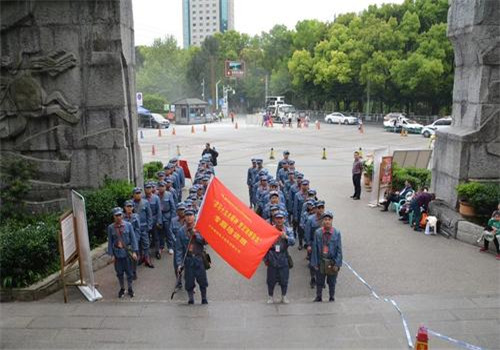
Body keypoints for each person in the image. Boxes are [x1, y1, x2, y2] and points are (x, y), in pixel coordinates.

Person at [176, 210, 209, 304]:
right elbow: (178, 249)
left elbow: (205, 241)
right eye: (187, 215)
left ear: (194, 216)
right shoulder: (181, 231)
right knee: (189, 280)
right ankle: (191, 298)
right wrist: (179, 264)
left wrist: (196, 235)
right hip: (188, 259)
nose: (189, 217)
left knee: (202, 280)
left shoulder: (199, 228)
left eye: (191, 215)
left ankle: (204, 298)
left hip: (199, 258)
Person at [310, 211, 342, 302]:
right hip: (321, 260)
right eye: (325, 219)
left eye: (329, 219)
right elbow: (315, 248)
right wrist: (315, 263)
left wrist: (337, 263)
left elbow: (339, 249)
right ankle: (318, 296)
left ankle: (332, 296)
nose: (327, 221)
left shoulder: (336, 233)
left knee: (332, 281)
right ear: (322, 221)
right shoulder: (318, 233)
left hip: (332, 261)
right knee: (319, 280)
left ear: (332, 221)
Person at [264, 211, 295, 304]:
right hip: (272, 256)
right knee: (271, 279)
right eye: (277, 218)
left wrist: (286, 237)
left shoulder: (288, 230)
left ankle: (284, 296)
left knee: (284, 278)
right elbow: (264, 245)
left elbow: (293, 242)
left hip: (283, 256)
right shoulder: (270, 230)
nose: (279, 220)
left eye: (281, 218)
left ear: (284, 219)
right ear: (274, 220)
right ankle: (270, 296)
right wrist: (265, 259)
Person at [107, 207, 138, 298]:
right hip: (117, 254)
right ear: (113, 217)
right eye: (116, 215)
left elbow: (133, 239)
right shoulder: (111, 228)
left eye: (120, 215)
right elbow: (110, 242)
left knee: (129, 272)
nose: (119, 217)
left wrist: (134, 252)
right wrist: (112, 254)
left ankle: (130, 288)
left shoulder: (128, 225)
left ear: (122, 215)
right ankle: (122, 288)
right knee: (119, 273)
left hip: (127, 252)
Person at [132, 187, 154, 268]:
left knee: (146, 243)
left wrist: (149, 225)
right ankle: (140, 257)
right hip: (135, 228)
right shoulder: (131, 204)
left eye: (139, 193)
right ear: (133, 195)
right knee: (137, 243)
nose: (138, 195)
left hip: (144, 226)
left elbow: (149, 215)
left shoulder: (145, 202)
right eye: (136, 193)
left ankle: (147, 258)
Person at [157, 181, 176, 256]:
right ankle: (161, 246)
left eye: (163, 186)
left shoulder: (169, 194)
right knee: (160, 232)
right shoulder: (156, 195)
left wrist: (172, 217)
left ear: (165, 187)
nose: (161, 188)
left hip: (167, 215)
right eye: (160, 186)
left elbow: (172, 206)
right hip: (159, 216)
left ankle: (170, 247)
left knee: (168, 232)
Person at [144, 182, 162, 259]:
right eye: (147, 188)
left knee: (156, 237)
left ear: (152, 189)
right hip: (146, 221)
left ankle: (157, 251)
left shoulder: (156, 198)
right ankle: (146, 254)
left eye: (149, 188)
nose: (148, 190)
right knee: (146, 238)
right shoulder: (143, 199)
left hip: (154, 219)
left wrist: (159, 221)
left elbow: (159, 211)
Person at [123, 200, 141, 280]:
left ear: (133, 207)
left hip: (134, 240)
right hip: (126, 241)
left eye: (131, 206)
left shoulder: (136, 216)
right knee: (126, 257)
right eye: (128, 207)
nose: (129, 208)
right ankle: (128, 271)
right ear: (125, 208)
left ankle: (134, 271)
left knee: (135, 257)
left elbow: (138, 228)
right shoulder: (122, 217)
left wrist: (136, 239)